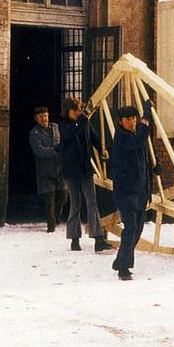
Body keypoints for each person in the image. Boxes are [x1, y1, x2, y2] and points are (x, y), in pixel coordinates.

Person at [57, 96, 112, 253]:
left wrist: (102, 149)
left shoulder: (83, 122)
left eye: (79, 109)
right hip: (71, 170)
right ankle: (74, 239)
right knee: (75, 203)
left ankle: (98, 239)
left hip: (85, 168)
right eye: (76, 110)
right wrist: (83, 119)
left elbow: (95, 138)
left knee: (92, 203)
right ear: (68, 111)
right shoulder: (64, 125)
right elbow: (71, 133)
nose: (79, 112)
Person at [110, 101, 155, 280]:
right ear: (120, 121)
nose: (132, 121)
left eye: (134, 118)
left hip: (141, 189)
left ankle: (120, 260)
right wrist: (146, 118)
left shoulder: (135, 134)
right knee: (131, 228)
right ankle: (123, 269)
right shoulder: (121, 136)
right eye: (127, 119)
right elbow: (137, 143)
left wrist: (155, 166)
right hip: (126, 190)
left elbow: (143, 154)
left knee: (138, 228)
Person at [28, 106, 66, 233]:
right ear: (36, 119)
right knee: (49, 200)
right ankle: (51, 226)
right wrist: (57, 150)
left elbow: (64, 141)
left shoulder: (56, 127)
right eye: (41, 117)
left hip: (60, 169)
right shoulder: (34, 133)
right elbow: (39, 151)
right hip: (45, 171)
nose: (44, 119)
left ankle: (57, 218)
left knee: (63, 197)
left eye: (45, 116)